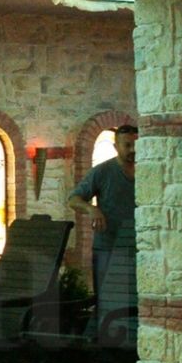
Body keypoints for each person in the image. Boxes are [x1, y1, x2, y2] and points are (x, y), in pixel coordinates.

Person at [70, 127, 138, 326]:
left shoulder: (149, 169)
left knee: (135, 303)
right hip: (108, 247)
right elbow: (74, 199)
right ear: (116, 146)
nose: (133, 149)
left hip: (139, 249)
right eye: (127, 145)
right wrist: (92, 209)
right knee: (107, 303)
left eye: (136, 144)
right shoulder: (102, 172)